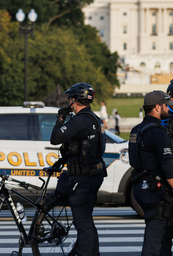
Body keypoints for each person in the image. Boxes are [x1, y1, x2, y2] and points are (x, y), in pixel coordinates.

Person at [50, 83, 106, 256]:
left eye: (70, 99)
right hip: (92, 174)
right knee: (87, 221)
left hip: (83, 178)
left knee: (82, 223)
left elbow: (55, 138)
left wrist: (61, 117)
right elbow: (82, 147)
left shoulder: (80, 120)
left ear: (74, 100)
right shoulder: (94, 118)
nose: (68, 102)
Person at [129, 91, 173, 256]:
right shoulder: (158, 132)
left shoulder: (136, 130)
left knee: (159, 237)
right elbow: (169, 167)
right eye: (165, 105)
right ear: (157, 107)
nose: (168, 108)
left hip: (141, 185)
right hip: (156, 191)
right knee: (155, 241)